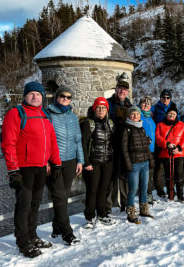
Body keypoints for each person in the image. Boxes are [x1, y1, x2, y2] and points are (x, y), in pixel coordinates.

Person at [1, 81, 62, 258]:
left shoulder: (44, 114)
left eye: (38, 94)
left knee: (35, 204)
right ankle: (23, 241)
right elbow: (8, 143)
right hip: (24, 169)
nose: (35, 97)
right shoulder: (16, 113)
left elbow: (52, 141)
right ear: (25, 96)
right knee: (24, 205)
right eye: (32, 94)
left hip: (41, 167)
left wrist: (56, 163)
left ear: (43, 97)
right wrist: (13, 170)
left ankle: (33, 235)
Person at [46, 85, 83, 245]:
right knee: (59, 196)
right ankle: (67, 233)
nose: (65, 99)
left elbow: (78, 140)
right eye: (63, 96)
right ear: (56, 97)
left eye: (69, 97)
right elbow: (45, 140)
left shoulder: (73, 117)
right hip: (55, 161)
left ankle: (56, 227)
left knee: (63, 196)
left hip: (70, 161)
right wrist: (47, 161)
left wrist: (80, 160)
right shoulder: (48, 115)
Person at [81, 97, 115, 228]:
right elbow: (83, 144)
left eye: (104, 108)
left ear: (107, 110)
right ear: (94, 109)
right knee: (92, 190)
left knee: (104, 189)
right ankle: (89, 216)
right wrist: (86, 162)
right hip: (93, 162)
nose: (101, 110)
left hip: (107, 162)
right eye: (98, 108)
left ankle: (102, 214)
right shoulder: (87, 124)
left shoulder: (110, 124)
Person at [122, 106, 154, 223]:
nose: (135, 116)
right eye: (133, 114)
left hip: (144, 162)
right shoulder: (126, 129)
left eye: (137, 114)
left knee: (144, 188)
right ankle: (130, 212)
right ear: (129, 115)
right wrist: (128, 164)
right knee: (133, 189)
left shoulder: (142, 129)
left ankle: (144, 209)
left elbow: (146, 148)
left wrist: (150, 160)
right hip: (134, 164)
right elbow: (124, 149)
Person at [107, 78, 132, 212]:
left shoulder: (129, 105)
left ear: (127, 92)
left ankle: (125, 203)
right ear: (116, 89)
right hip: (111, 145)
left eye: (125, 89)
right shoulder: (108, 103)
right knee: (111, 176)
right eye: (120, 88)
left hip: (124, 146)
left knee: (124, 176)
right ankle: (109, 206)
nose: (122, 91)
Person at [155, 107, 184, 203]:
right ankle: (171, 194)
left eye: (174, 114)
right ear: (166, 114)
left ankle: (180, 195)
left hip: (179, 153)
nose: (172, 115)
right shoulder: (160, 125)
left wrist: (179, 148)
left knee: (179, 174)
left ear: (176, 115)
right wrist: (167, 144)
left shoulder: (182, 125)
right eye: (170, 113)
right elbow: (158, 137)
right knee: (168, 174)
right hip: (166, 153)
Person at [152, 89, 178, 198]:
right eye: (163, 97)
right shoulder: (155, 108)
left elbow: (179, 124)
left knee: (171, 167)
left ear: (170, 99)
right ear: (160, 98)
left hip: (171, 143)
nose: (165, 99)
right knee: (158, 167)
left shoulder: (173, 108)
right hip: (159, 142)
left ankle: (171, 189)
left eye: (168, 98)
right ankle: (159, 189)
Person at [138, 96, 157, 205]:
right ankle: (144, 196)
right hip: (142, 150)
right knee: (143, 175)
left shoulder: (150, 117)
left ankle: (149, 194)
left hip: (152, 150)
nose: (146, 105)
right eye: (144, 103)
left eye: (148, 104)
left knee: (149, 174)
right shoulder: (138, 116)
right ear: (140, 105)